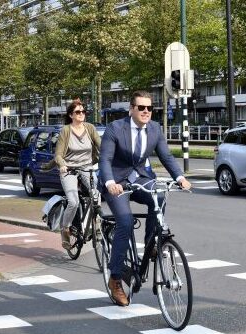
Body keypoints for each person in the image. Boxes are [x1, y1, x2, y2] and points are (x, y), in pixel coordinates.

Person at [99, 90, 191, 306]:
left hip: (140, 178)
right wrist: (110, 183)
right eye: (141, 108)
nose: (146, 112)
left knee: (159, 196)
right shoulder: (115, 128)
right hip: (117, 182)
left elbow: (166, 156)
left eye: (150, 108)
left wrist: (180, 177)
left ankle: (152, 245)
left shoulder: (155, 129)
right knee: (125, 221)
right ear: (132, 109)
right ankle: (115, 279)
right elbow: (105, 159)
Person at [53, 99, 101, 250]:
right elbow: (58, 155)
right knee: (73, 202)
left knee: (96, 194)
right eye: (78, 112)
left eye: (83, 111)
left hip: (87, 167)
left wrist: (109, 159)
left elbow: (102, 146)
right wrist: (62, 165)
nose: (81, 114)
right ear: (71, 115)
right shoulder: (66, 131)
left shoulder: (90, 128)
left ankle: (97, 226)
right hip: (69, 169)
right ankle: (65, 228)